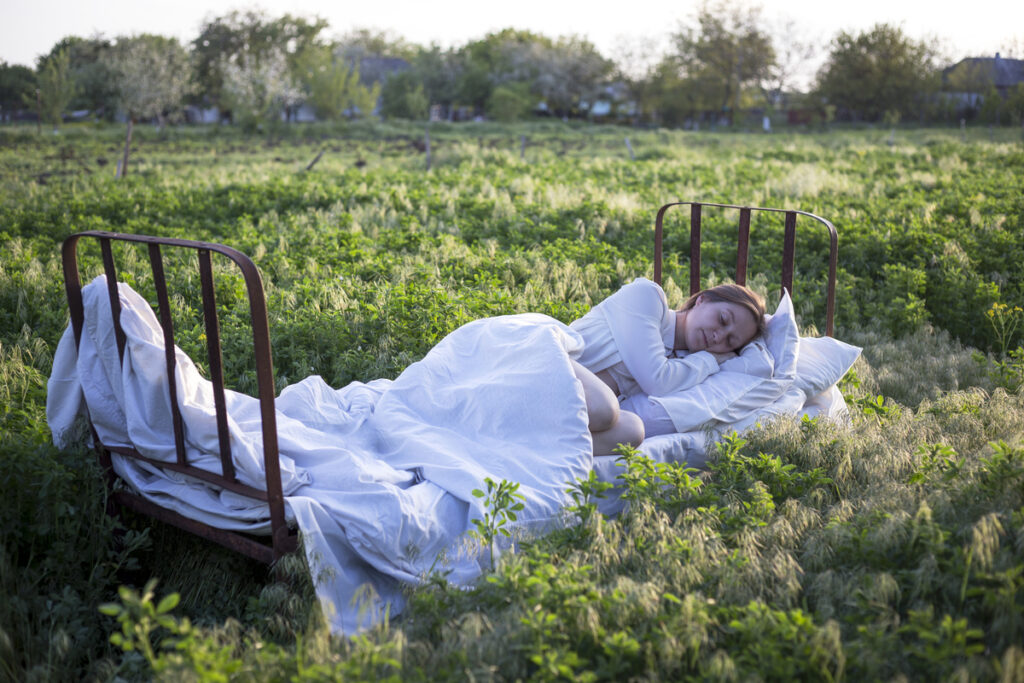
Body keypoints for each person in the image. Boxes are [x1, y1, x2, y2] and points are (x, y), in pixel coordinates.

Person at [568, 278, 766, 456]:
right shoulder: (647, 297)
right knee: (605, 408)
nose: (719, 336)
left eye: (730, 341)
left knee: (632, 430)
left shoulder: (680, 366)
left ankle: (543, 440)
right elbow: (657, 381)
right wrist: (711, 359)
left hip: (571, 406)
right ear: (702, 300)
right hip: (552, 363)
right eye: (722, 319)